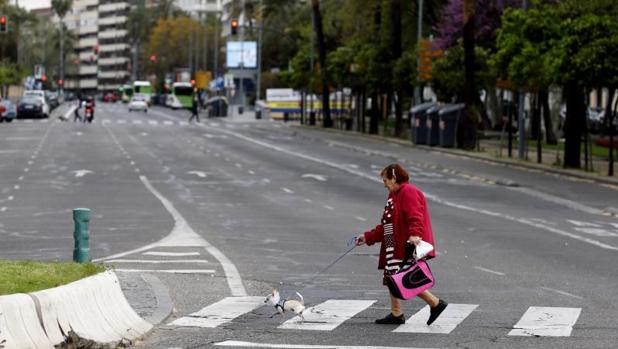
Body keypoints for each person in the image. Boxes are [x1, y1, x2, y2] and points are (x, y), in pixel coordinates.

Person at [356, 163, 447, 326]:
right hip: (393, 243)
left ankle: (435, 303)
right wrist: (367, 237)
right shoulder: (394, 194)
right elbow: (387, 224)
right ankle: (396, 313)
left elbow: (415, 216)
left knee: (403, 278)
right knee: (393, 277)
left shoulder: (408, 191)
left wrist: (414, 235)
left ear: (394, 177)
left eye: (385, 180)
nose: (384, 183)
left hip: (404, 243)